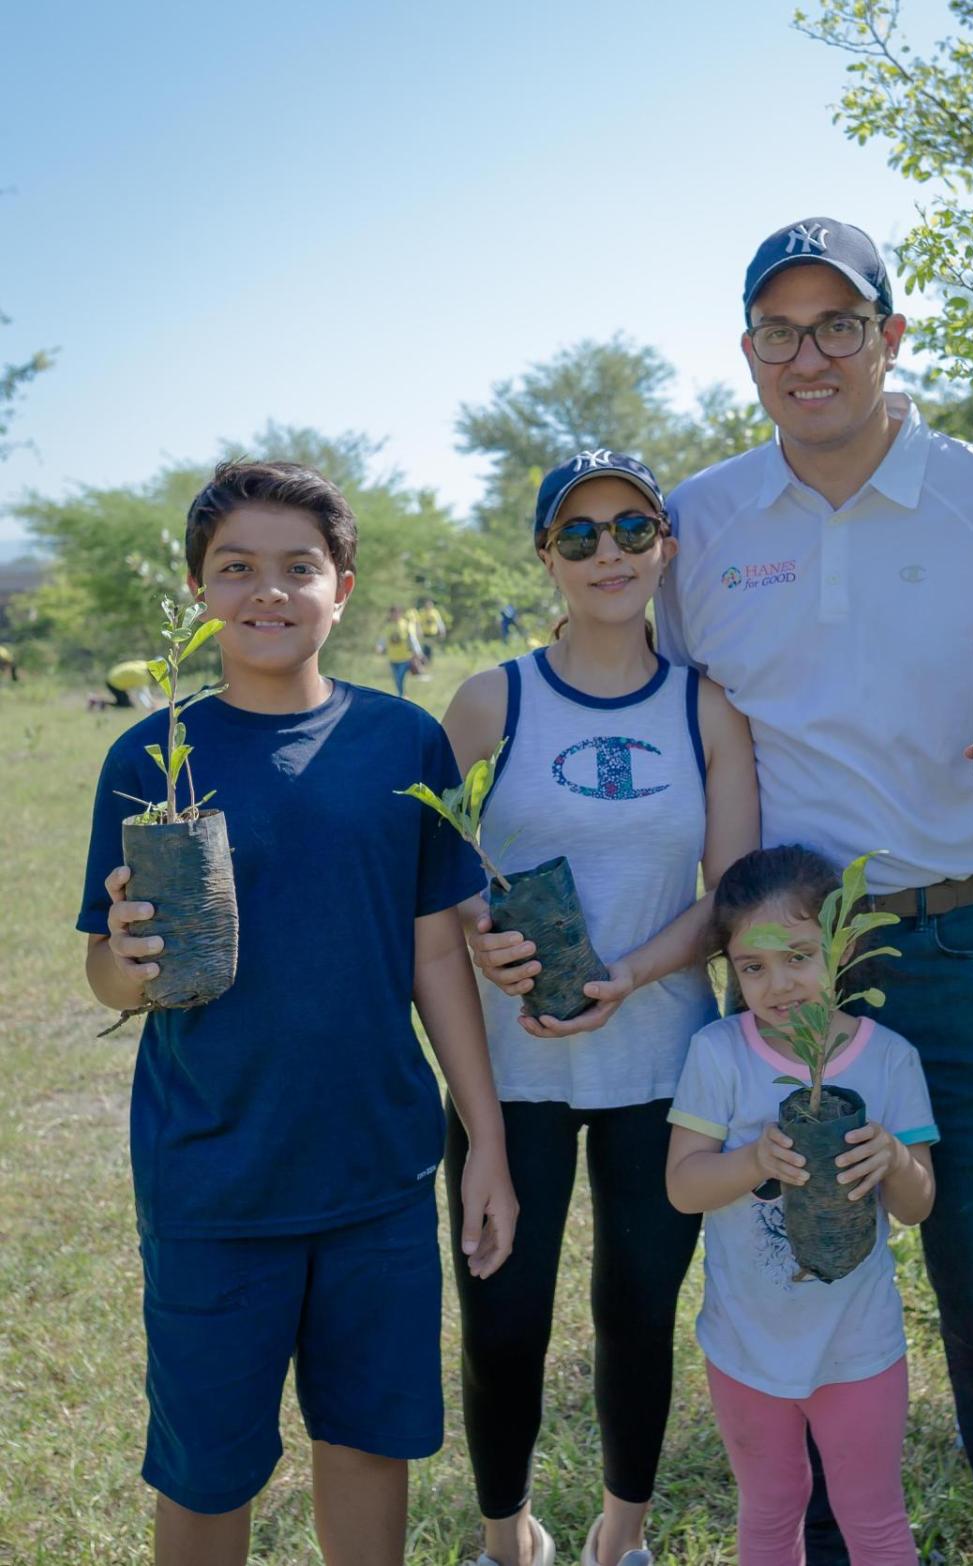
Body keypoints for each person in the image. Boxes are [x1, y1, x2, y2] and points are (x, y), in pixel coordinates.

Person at [655, 217, 973, 1566]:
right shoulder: (702, 517)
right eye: (781, 331)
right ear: (749, 352)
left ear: (892, 336)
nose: (812, 356)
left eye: (840, 323)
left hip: (965, 934)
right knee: (796, 1281)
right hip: (786, 970)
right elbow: (667, 709)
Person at [77, 460, 516, 1566]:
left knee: (371, 1441)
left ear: (344, 588)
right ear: (198, 590)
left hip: (375, 1171)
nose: (268, 592)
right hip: (213, 1174)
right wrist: (128, 964)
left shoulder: (400, 742)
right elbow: (106, 969)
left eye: (298, 568)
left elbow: (433, 952)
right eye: (236, 569)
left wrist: (487, 1144)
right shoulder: (149, 756)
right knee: (210, 1461)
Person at [440, 448, 760, 1566]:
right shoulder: (493, 701)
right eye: (578, 535)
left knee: (638, 1311)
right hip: (512, 1073)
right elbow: (430, 878)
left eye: (631, 530)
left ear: (663, 547)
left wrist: (633, 972)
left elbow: (729, 894)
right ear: (546, 557)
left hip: (663, 1068)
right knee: (503, 1317)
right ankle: (504, 1537)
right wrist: (484, 934)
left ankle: (619, 1536)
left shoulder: (704, 708)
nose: (608, 553)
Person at [667, 844, 936, 1566]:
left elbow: (917, 1204)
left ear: (841, 950)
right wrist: (753, 1160)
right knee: (769, 1511)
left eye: (798, 956)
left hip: (859, 1347)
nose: (778, 984)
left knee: (874, 1519)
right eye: (752, 968)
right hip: (746, 1346)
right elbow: (682, 1184)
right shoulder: (719, 1054)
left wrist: (895, 1160)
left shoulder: (888, 1059)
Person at [379, 603, 424, 697]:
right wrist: (380, 646)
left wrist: (418, 652)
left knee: (400, 678)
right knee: (396, 679)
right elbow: (383, 639)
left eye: (397, 613)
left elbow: (412, 639)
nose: (395, 615)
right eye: (393, 613)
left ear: (400, 614)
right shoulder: (388, 626)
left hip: (404, 658)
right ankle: (403, 694)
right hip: (392, 658)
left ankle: (401, 695)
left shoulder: (406, 625)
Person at [87, 658, 157, 710]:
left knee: (126, 701)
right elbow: (142, 693)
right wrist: (150, 705)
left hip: (112, 675)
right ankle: (97, 701)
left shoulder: (144, 664)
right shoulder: (144, 676)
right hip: (114, 682)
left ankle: (98, 701)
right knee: (127, 705)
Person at [417, 594, 448, 661]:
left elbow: (439, 622)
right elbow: (419, 623)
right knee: (425, 647)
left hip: (432, 634)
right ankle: (425, 660)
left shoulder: (435, 612)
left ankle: (428, 659)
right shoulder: (422, 612)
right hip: (425, 633)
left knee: (429, 647)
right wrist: (419, 631)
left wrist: (442, 631)